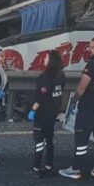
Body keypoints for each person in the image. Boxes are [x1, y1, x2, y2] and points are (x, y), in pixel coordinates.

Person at [60, 36, 94, 180]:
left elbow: (82, 86)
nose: (90, 50)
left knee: (81, 138)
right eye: (90, 47)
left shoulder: (92, 64)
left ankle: (76, 169)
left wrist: (74, 100)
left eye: (93, 47)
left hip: (89, 108)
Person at [29, 50, 66, 178]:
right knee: (49, 139)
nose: (44, 59)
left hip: (43, 113)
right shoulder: (61, 75)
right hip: (53, 112)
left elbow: (40, 96)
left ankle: (36, 167)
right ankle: (49, 165)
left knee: (39, 140)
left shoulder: (45, 77)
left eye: (46, 58)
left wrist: (33, 110)